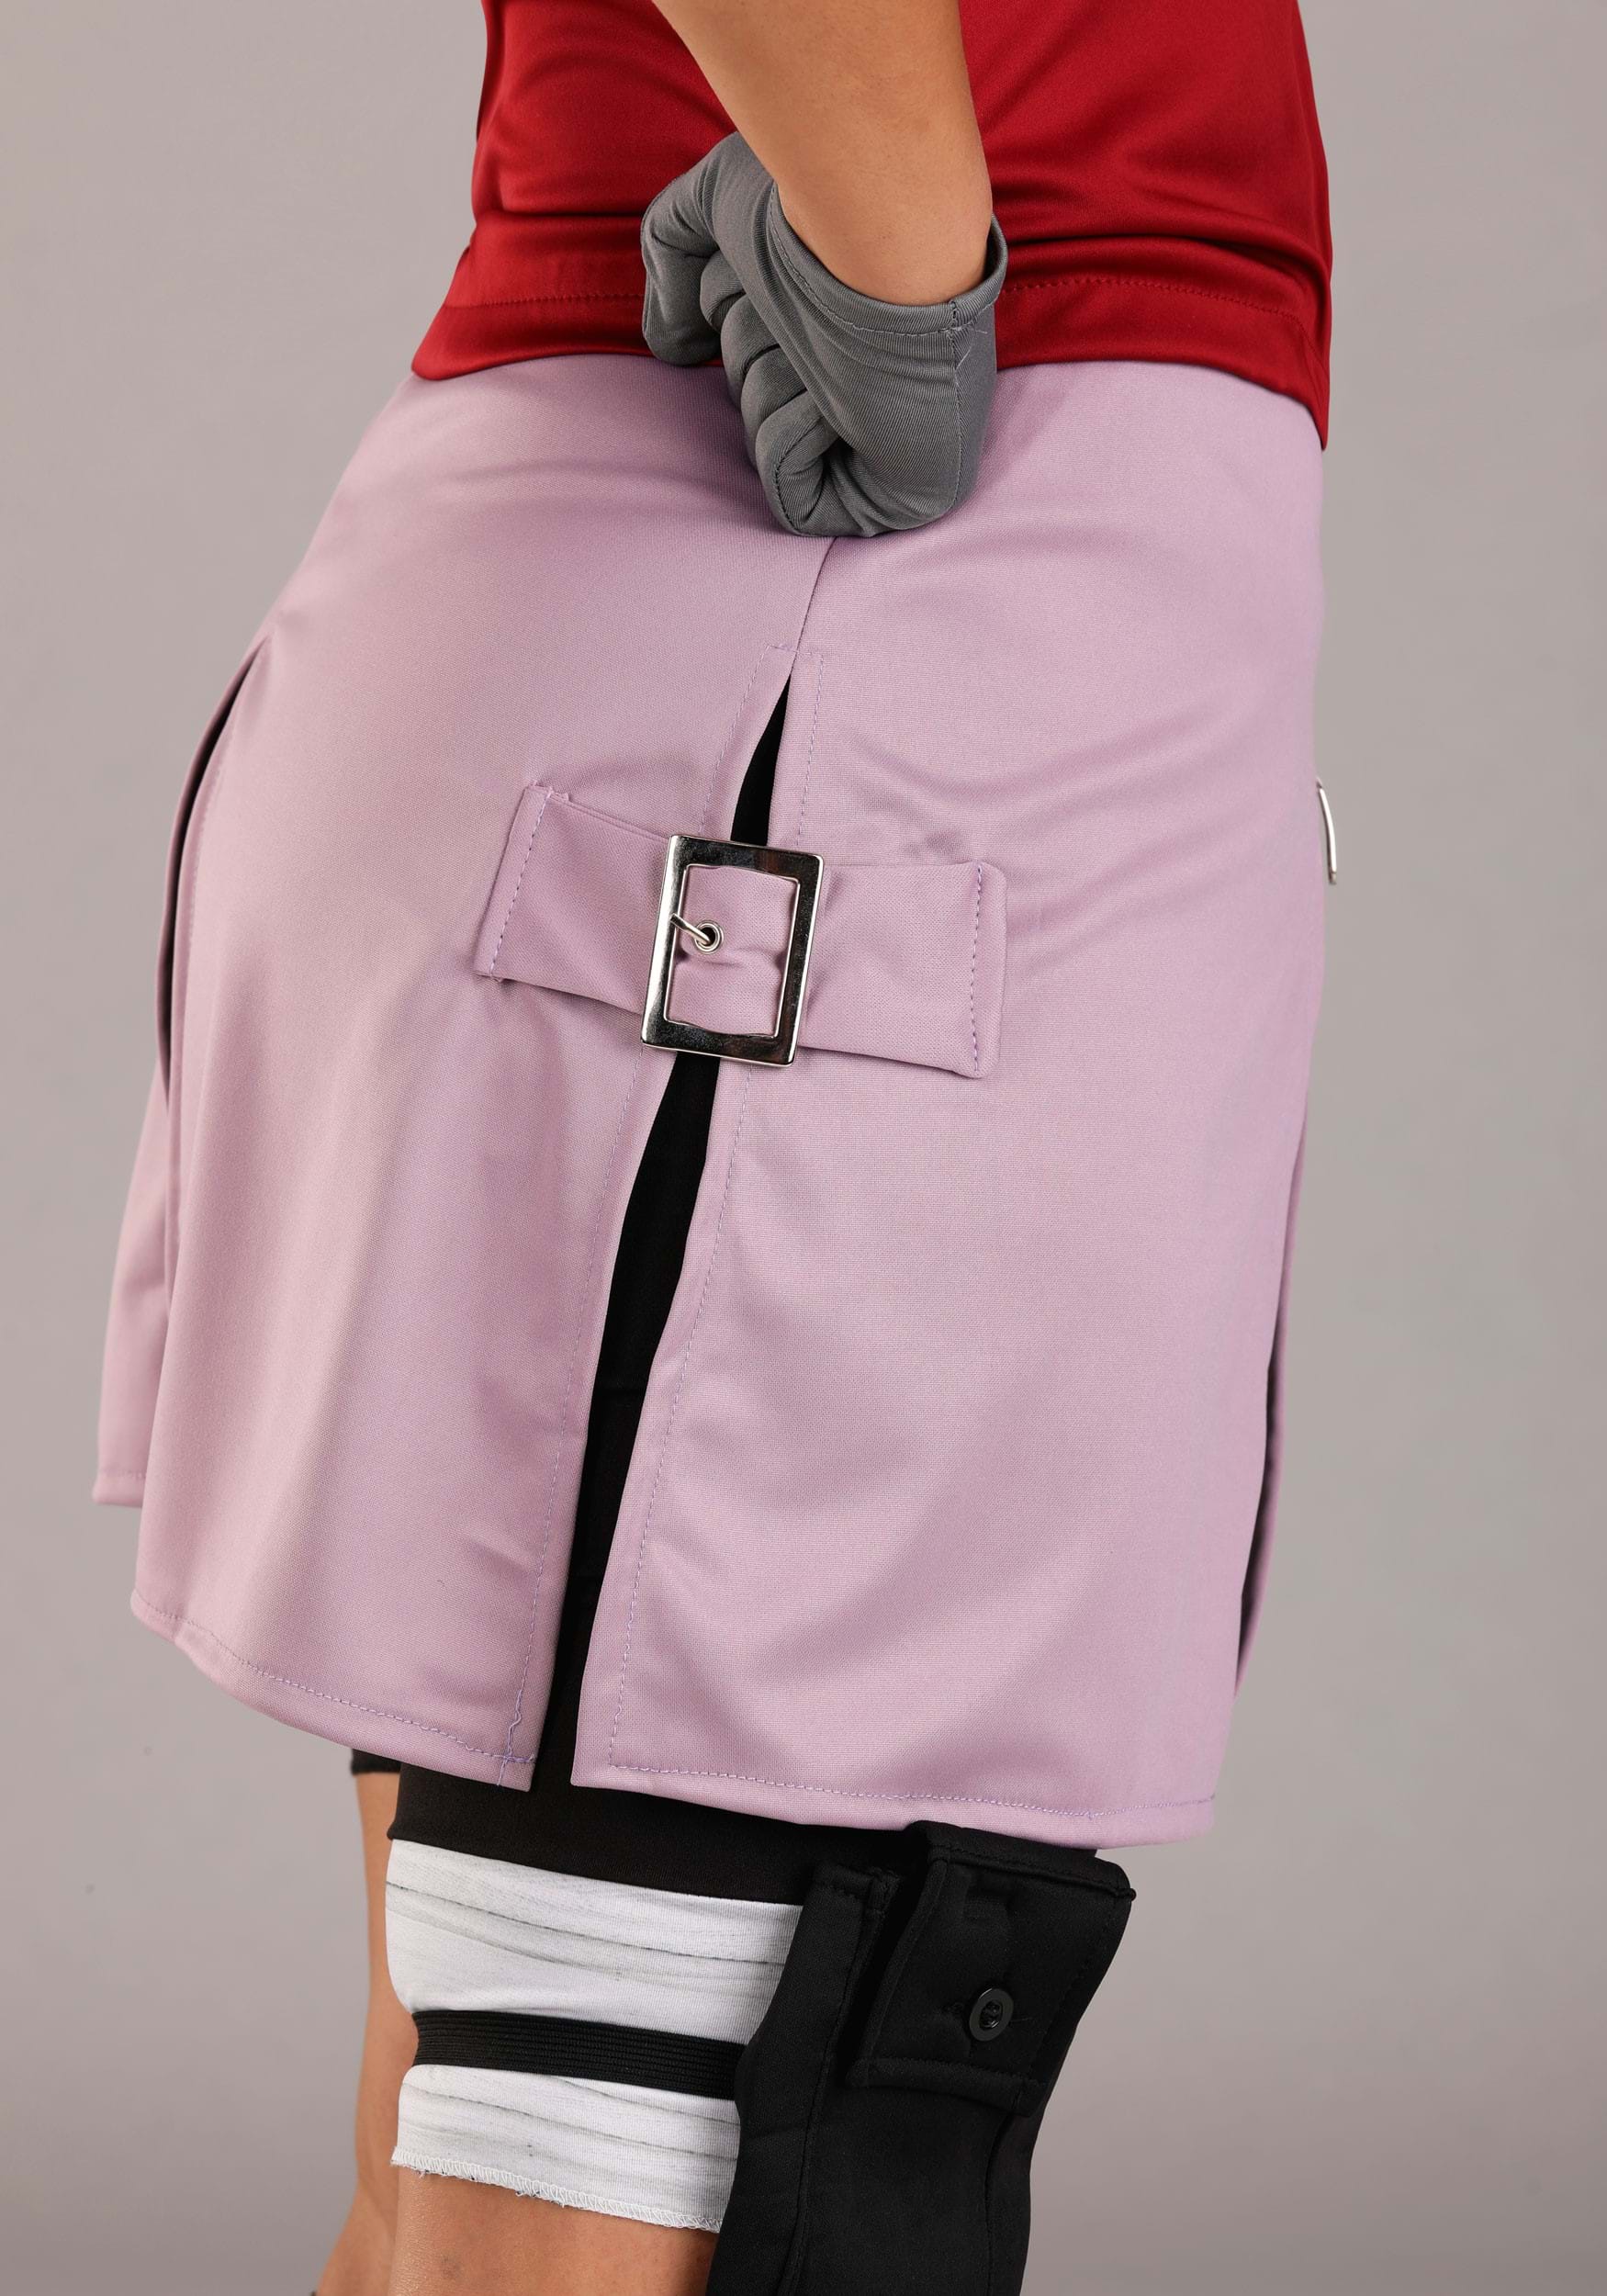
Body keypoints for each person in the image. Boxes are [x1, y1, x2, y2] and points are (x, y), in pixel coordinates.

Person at [94, 4, 1333, 2290]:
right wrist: (893, 269)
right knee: (604, 2202)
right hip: (814, 679)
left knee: (483, 2187)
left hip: (781, 693)